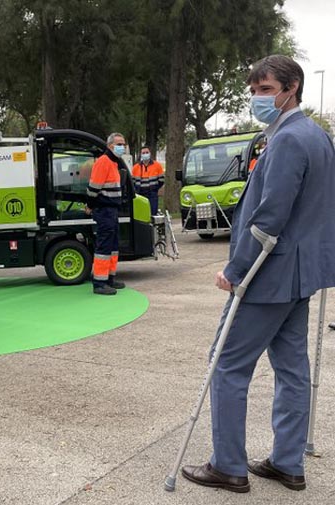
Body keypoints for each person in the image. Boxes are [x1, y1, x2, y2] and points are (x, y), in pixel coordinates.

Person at [182, 55, 335, 492]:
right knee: (291, 367)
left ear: (292, 88)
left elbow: (269, 217)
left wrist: (235, 269)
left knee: (226, 364)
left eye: (265, 90)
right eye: (253, 91)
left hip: (271, 275)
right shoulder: (317, 136)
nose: (256, 98)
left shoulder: (288, 139)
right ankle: (288, 461)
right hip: (301, 275)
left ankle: (227, 465)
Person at [86, 132, 127, 295]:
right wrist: (90, 205)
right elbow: (93, 188)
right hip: (104, 210)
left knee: (113, 246)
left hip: (112, 210)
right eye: (119, 144)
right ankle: (99, 283)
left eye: (123, 144)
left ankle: (109, 278)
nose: (122, 147)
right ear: (110, 146)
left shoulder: (113, 162)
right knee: (104, 247)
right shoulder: (103, 162)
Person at [131, 146, 164, 215]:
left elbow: (161, 180)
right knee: (141, 214)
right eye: (143, 153)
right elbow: (133, 181)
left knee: (152, 213)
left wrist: (155, 188)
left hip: (152, 194)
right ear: (141, 154)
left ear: (150, 153)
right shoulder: (135, 167)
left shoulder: (157, 165)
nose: (145, 154)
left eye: (147, 152)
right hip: (140, 194)